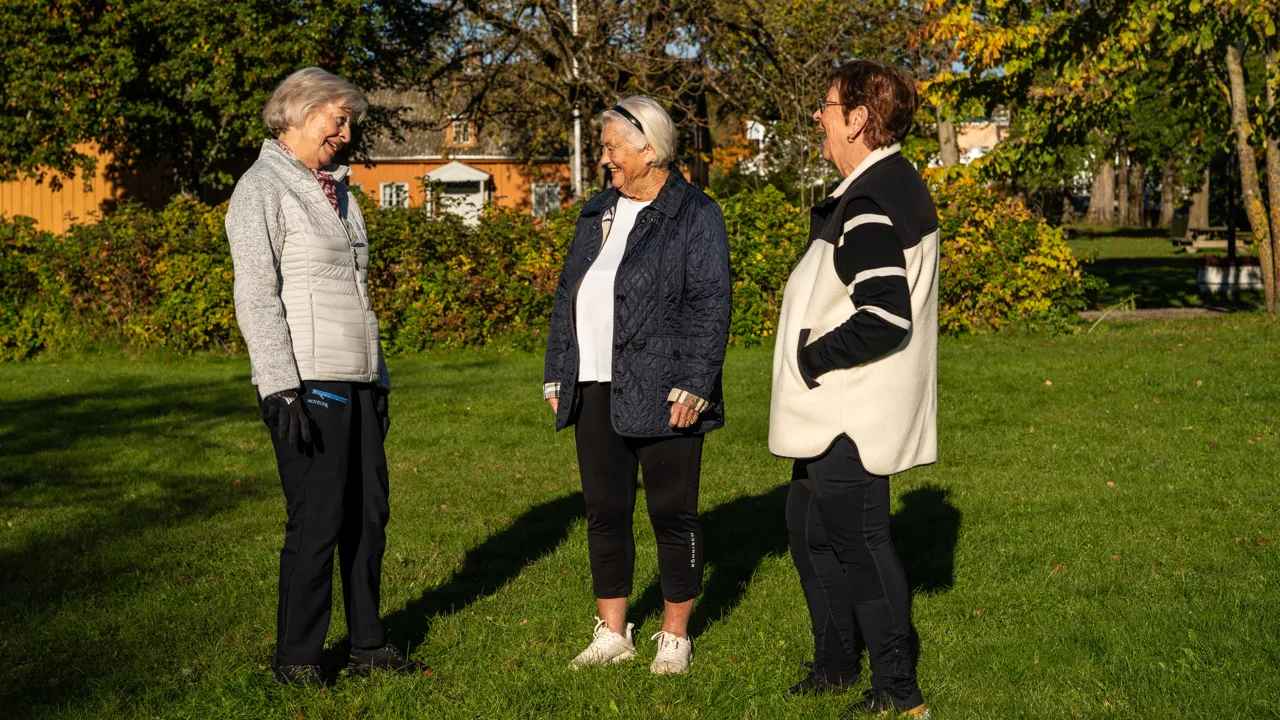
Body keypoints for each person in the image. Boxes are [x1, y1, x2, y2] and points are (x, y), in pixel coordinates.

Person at [226, 67, 415, 686]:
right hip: (305, 381)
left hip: (354, 375)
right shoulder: (261, 188)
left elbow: (358, 294)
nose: (347, 130)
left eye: (349, 120)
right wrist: (279, 383)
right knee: (318, 517)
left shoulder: (338, 190)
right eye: (339, 117)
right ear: (299, 112)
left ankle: (369, 645)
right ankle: (298, 659)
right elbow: (256, 294)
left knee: (369, 513)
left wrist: (378, 377)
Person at [769, 60, 939, 718]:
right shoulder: (879, 187)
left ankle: (899, 693)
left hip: (850, 414)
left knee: (859, 544)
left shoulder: (870, 198)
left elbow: (885, 314)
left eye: (828, 104)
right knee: (810, 529)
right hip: (836, 414)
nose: (819, 114)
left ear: (858, 119)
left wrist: (812, 357)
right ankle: (838, 667)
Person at [543, 96, 731, 675]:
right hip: (596, 383)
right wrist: (559, 369)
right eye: (604, 148)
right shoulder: (597, 211)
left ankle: (674, 636)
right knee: (605, 511)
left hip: (668, 389)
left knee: (673, 513)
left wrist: (695, 384)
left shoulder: (695, 213)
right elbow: (566, 295)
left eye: (612, 148)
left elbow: (711, 303)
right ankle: (614, 632)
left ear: (650, 148)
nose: (605, 160)